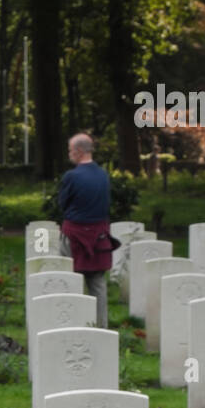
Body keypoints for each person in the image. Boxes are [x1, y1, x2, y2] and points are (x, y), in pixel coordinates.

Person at [57, 133, 114, 329]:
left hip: (74, 235)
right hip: (99, 236)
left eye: (70, 150)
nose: (69, 154)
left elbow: (63, 204)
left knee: (70, 281)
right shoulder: (103, 175)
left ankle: (72, 324)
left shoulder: (71, 176)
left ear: (79, 151)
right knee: (97, 284)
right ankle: (101, 327)